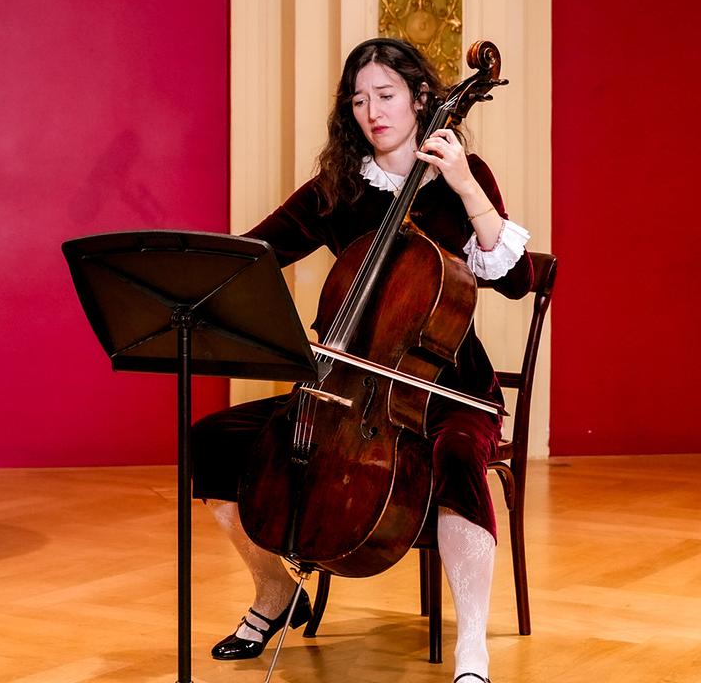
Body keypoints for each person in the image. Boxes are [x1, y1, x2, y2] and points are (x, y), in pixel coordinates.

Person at [191, 37, 533, 683]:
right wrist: (190, 275)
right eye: (358, 100)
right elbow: (253, 256)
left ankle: (472, 648)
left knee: (460, 455)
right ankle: (275, 590)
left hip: (452, 389)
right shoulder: (340, 189)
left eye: (385, 95)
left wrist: (463, 184)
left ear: (422, 99)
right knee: (212, 442)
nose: (372, 112)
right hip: (350, 391)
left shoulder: (465, 177)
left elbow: (515, 281)